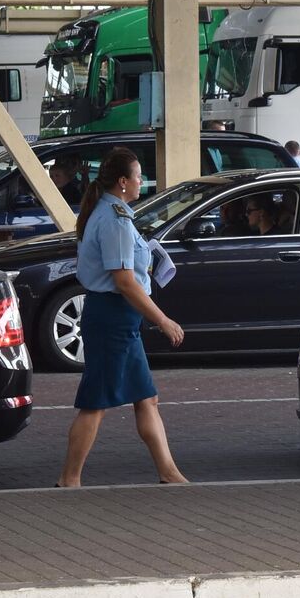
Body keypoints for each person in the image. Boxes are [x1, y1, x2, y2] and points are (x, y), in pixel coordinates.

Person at [58, 147, 188, 488]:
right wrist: (163, 320)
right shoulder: (115, 219)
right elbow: (125, 281)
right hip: (114, 318)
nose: (141, 180)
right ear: (123, 181)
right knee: (95, 403)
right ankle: (69, 480)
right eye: (138, 175)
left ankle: (169, 473)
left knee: (146, 397)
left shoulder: (108, 212)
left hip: (116, 318)